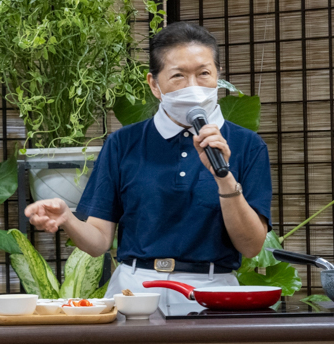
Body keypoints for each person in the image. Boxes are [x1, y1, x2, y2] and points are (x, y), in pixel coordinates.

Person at [25, 22, 272, 310]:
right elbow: (98, 243)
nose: (193, 87)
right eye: (178, 76)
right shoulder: (122, 143)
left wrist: (224, 178)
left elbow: (252, 246)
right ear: (154, 84)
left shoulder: (248, 145)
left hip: (211, 290)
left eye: (204, 73)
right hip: (134, 289)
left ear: (218, 77)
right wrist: (67, 218)